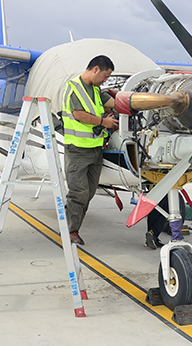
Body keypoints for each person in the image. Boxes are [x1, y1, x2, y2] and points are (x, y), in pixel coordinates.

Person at [62, 55, 118, 245]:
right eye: (105, 75)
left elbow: (112, 103)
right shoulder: (74, 87)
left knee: (89, 193)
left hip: (95, 150)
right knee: (79, 193)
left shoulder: (95, 89)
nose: (105, 80)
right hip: (77, 151)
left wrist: (130, 102)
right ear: (95, 69)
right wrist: (105, 122)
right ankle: (71, 231)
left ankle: (69, 219)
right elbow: (78, 115)